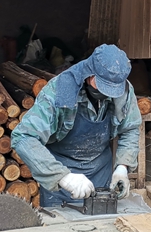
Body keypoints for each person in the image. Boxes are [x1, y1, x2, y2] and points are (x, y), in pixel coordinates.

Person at [11, 44, 141, 207]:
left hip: (101, 173)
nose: (109, 93)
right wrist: (63, 177)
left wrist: (122, 167)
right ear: (90, 72)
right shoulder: (59, 90)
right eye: (103, 86)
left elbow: (130, 129)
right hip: (62, 177)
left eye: (113, 89)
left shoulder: (123, 89)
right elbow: (23, 137)